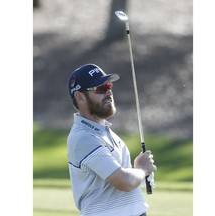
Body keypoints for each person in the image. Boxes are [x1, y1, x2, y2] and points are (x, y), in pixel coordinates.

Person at [67, 63, 157, 216]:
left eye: (108, 86)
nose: (108, 92)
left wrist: (139, 172)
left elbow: (127, 182)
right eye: (100, 88)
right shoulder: (83, 137)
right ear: (80, 96)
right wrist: (141, 169)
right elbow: (125, 182)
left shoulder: (107, 133)